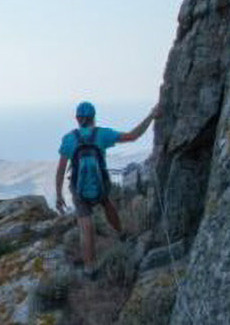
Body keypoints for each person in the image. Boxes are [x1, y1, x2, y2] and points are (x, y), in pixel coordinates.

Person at [55, 100, 157, 275]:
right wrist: (151, 116)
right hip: (101, 184)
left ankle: (89, 269)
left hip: (79, 190)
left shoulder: (69, 139)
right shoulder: (102, 134)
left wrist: (58, 195)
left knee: (86, 227)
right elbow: (133, 136)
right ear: (93, 118)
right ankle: (121, 234)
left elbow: (61, 170)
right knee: (107, 204)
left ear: (77, 119)